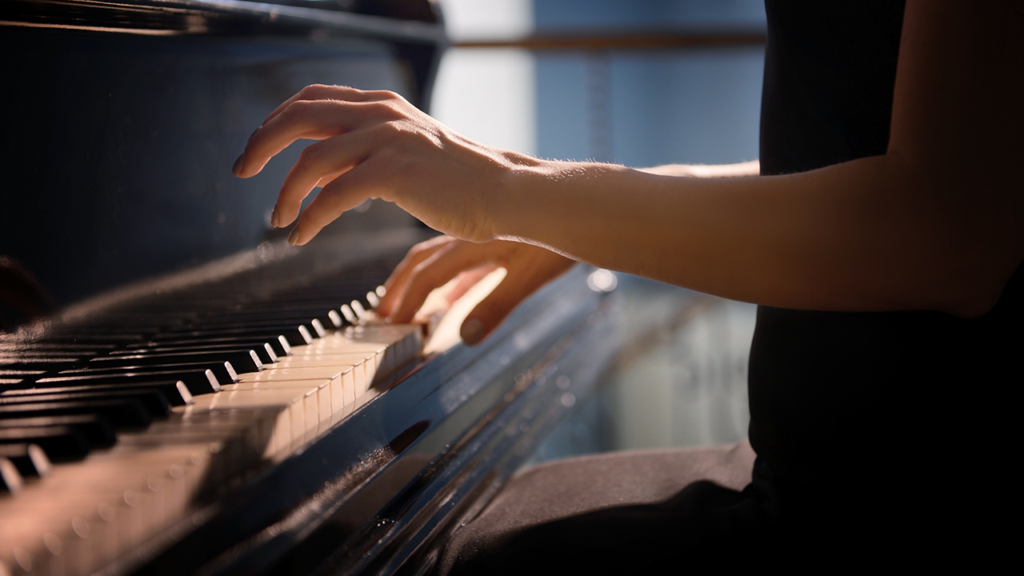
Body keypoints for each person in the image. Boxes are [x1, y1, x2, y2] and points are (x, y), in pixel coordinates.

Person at [232, 0, 1023, 570]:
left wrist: (509, 187)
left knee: (421, 549)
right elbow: (936, 166)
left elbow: (948, 232)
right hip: (814, 476)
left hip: (883, 512)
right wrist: (577, 216)